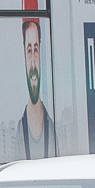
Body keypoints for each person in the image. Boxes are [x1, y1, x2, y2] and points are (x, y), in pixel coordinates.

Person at [17, 15, 57, 159]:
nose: (33, 63)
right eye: (29, 51)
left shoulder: (52, 127)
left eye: (36, 49)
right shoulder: (19, 131)